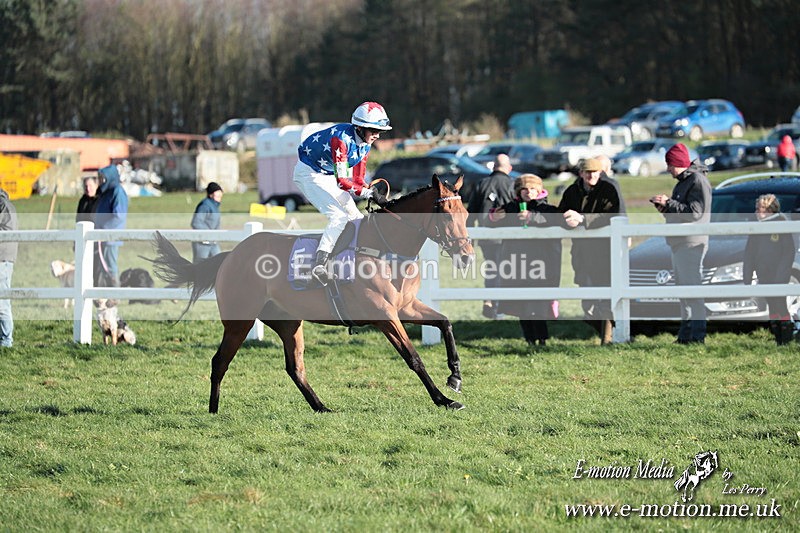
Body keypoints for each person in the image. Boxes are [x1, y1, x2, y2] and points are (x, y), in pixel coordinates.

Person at [293, 101, 390, 285]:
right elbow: (343, 182)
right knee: (338, 217)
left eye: (380, 132)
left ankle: (349, 261)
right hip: (308, 173)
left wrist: (371, 192)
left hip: (326, 174)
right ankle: (318, 264)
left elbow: (358, 180)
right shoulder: (341, 139)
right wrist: (370, 195)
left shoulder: (365, 143)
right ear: (360, 128)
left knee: (356, 217)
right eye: (373, 130)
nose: (377, 135)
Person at [558, 157, 626, 344]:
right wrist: (567, 220)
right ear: (581, 173)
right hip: (580, 252)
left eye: (595, 172)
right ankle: (610, 332)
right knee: (587, 298)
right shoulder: (572, 191)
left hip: (603, 252)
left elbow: (612, 214)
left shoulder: (608, 189)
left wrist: (583, 219)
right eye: (588, 172)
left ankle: (608, 337)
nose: (592, 176)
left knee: (605, 295)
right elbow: (560, 214)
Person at [488, 174, 561, 346]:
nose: (529, 193)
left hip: (541, 263)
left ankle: (542, 339)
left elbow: (556, 219)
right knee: (521, 303)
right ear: (519, 192)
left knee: (539, 303)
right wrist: (494, 217)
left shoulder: (547, 208)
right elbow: (493, 220)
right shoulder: (510, 208)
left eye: (533, 189)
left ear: (539, 190)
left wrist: (533, 217)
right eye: (525, 189)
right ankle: (529, 339)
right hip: (516, 263)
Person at [649, 142, 712, 344]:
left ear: (679, 163)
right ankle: (686, 335)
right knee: (683, 291)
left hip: (691, 243)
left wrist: (669, 203)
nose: (668, 169)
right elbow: (683, 211)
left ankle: (697, 335)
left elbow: (695, 212)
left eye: (670, 164)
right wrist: (665, 209)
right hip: (680, 243)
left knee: (692, 290)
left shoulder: (697, 181)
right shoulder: (685, 181)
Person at [467, 153, 515, 318]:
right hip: (508, 238)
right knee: (506, 271)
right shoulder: (512, 184)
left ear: (493, 167)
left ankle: (490, 301)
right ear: (509, 168)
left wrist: (470, 238)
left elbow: (470, 214)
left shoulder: (482, 184)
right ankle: (498, 305)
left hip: (486, 238)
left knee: (492, 268)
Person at [743, 194, 796, 345]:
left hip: (779, 274)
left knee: (779, 303)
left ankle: (786, 336)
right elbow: (750, 253)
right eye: (757, 209)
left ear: (771, 210)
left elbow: (788, 252)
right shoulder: (756, 227)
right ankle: (777, 336)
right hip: (763, 273)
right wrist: (747, 274)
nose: (758, 212)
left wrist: (782, 274)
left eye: (763, 209)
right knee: (771, 303)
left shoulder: (781, 224)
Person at [93, 164, 128, 287]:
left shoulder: (117, 192)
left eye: (103, 178)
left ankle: (115, 295)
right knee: (102, 268)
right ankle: (104, 294)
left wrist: (103, 230)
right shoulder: (106, 192)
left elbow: (119, 216)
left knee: (110, 267)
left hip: (110, 238)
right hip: (101, 237)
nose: (101, 181)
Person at [0, 188, 17, 347]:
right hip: (4, 257)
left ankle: (6, 341)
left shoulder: (3, 206)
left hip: (2, 258)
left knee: (2, 301)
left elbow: (5, 233)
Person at [191, 182, 223, 263]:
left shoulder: (215, 206)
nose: (220, 195)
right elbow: (196, 222)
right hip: (202, 243)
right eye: (217, 193)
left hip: (213, 242)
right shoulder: (205, 206)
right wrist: (208, 234)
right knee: (199, 266)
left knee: (219, 264)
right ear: (211, 194)